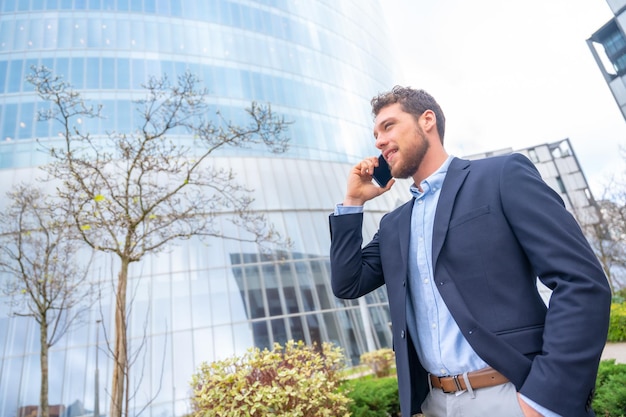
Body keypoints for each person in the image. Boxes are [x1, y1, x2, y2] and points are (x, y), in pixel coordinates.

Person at [329, 86, 611, 417]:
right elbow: (348, 283)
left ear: (427, 120)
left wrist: (541, 402)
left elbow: (581, 283)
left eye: (388, 126)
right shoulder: (395, 224)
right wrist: (353, 203)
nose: (378, 141)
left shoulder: (501, 176)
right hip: (435, 403)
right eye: (375, 134)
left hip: (512, 395)